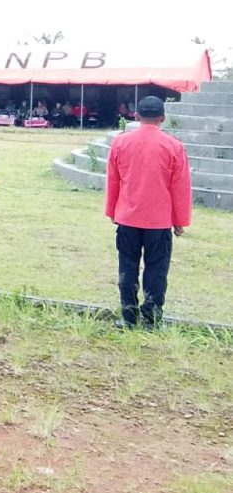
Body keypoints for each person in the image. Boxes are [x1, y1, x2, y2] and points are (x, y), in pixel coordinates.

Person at [105, 96, 192, 328]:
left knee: (127, 266)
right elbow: (180, 187)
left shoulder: (120, 143)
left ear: (136, 116)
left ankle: (129, 317)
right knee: (156, 270)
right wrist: (180, 220)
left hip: (128, 216)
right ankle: (152, 319)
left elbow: (114, 180)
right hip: (159, 221)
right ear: (162, 118)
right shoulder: (174, 146)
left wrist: (112, 210)